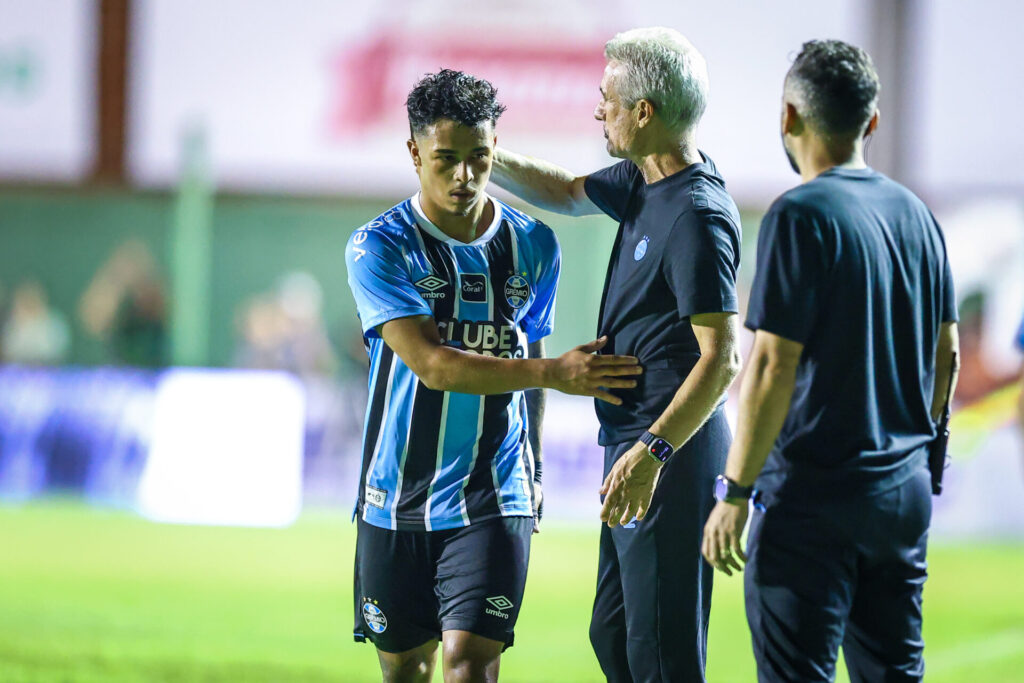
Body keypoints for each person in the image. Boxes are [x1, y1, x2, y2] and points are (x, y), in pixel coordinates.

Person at [345, 69, 642, 683]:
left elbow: (528, 376)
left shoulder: (534, 245)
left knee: (469, 664)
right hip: (394, 492)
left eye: (479, 158)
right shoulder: (380, 246)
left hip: (494, 491)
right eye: (445, 159)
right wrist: (555, 372)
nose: (463, 176)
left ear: (495, 150)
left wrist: (530, 474)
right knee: (406, 669)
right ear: (413, 153)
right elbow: (433, 365)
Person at [701, 40, 960, 683]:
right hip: (900, 495)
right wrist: (924, 453)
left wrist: (736, 490)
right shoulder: (917, 215)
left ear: (788, 118)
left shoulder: (801, 212)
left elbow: (769, 366)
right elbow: (946, 354)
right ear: (871, 122)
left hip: (816, 498)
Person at [491, 27, 742, 682]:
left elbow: (723, 360)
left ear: (644, 112)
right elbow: (568, 193)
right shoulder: (642, 179)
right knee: (615, 635)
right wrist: (484, 156)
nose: (596, 109)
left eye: (606, 98)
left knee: (661, 654)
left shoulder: (697, 215)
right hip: (632, 443)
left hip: (666, 452)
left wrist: (654, 452)